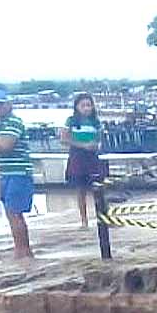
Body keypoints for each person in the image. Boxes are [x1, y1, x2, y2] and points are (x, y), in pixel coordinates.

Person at [0, 88, 35, 259]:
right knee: (10, 213)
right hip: (4, 173)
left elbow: (5, 145)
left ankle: (23, 250)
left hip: (19, 172)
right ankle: (20, 249)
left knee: (14, 212)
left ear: (8, 104)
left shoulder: (14, 122)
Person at [60, 92, 104, 228]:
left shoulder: (96, 122)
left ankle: (103, 218)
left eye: (89, 105)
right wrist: (82, 145)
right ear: (77, 107)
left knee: (99, 187)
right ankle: (84, 220)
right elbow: (63, 139)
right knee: (80, 190)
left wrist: (94, 145)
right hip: (77, 156)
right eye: (83, 105)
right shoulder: (71, 121)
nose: (86, 108)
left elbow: (99, 139)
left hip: (92, 156)